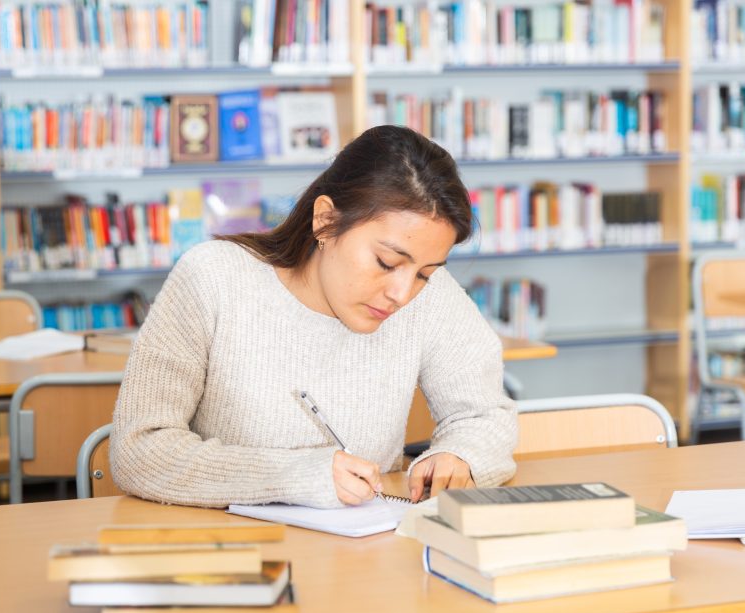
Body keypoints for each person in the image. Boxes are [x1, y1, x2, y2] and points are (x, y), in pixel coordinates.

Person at [111, 125, 517, 509]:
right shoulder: (214, 278)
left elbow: (485, 415)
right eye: (386, 261)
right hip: (231, 553)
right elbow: (138, 450)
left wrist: (459, 455)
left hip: (362, 555)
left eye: (425, 273)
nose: (402, 293)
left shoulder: (431, 297)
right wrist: (293, 475)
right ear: (326, 221)